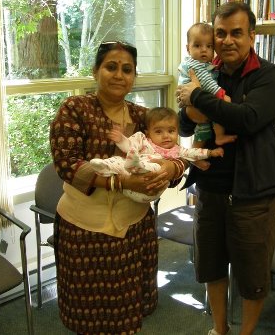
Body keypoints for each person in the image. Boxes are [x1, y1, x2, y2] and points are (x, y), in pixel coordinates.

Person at [49, 41, 187, 335]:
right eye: (111, 67)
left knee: (128, 312)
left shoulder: (142, 116)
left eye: (127, 69)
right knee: (89, 315)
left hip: (133, 229)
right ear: (95, 71)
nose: (119, 75)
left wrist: (170, 168)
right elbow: (67, 164)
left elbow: (173, 150)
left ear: (134, 76)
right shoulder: (75, 109)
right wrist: (120, 181)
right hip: (85, 231)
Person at [176, 1, 275, 335]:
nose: (227, 41)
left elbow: (247, 119)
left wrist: (197, 98)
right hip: (210, 189)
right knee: (211, 266)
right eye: (220, 33)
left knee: (252, 275)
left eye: (236, 33)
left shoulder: (269, 76)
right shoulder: (206, 71)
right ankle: (219, 329)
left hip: (253, 195)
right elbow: (184, 124)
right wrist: (193, 104)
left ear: (251, 36)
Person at [90, 106, 224, 203]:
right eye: (159, 132)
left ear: (177, 132)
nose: (166, 136)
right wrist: (121, 139)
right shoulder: (144, 140)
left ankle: (137, 165)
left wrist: (210, 152)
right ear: (149, 133)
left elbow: (193, 153)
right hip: (129, 182)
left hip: (149, 191)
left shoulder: (177, 150)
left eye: (171, 131)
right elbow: (129, 146)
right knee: (119, 160)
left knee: (156, 166)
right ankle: (105, 167)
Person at [178, 22, 237, 147]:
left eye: (209, 46)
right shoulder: (194, 64)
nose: (204, 50)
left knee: (203, 131)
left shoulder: (206, 65)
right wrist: (221, 94)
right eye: (197, 45)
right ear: (188, 48)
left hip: (199, 101)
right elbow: (207, 82)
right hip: (192, 103)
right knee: (220, 106)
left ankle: (199, 151)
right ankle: (217, 138)